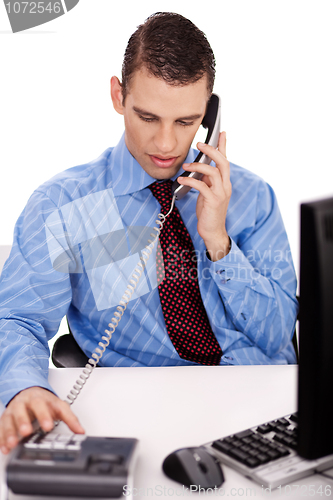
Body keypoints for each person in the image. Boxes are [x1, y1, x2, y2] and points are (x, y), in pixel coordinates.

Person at [0, 12, 298, 455]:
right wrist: (23, 388)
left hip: (262, 407)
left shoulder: (252, 197)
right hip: (144, 412)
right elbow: (18, 319)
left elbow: (277, 335)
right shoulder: (64, 205)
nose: (165, 144)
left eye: (185, 121)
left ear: (209, 113)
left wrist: (218, 241)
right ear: (119, 96)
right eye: (147, 116)